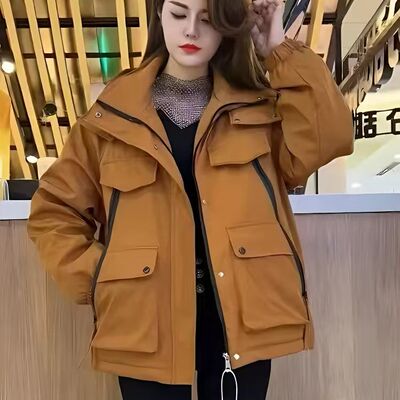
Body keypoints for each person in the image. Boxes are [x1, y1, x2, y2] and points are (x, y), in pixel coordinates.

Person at [27, 0, 354, 398]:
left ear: (225, 27)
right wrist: (101, 278)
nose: (191, 31)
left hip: (241, 320)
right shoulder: (111, 116)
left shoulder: (258, 107)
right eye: (179, 14)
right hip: (144, 323)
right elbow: (54, 210)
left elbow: (329, 137)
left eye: (208, 20)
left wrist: (276, 50)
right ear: (159, 16)